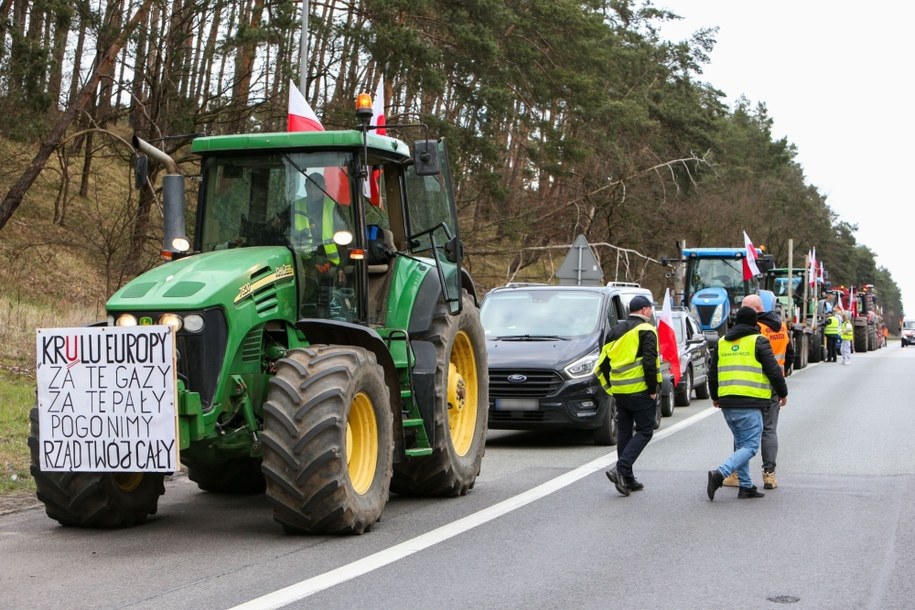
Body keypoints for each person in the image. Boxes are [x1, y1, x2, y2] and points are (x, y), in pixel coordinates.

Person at [707, 306, 788, 501]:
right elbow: (773, 370)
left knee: (742, 444)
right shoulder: (758, 341)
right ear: (754, 322)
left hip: (727, 402)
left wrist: (715, 396)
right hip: (750, 402)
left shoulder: (722, 342)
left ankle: (745, 486)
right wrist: (782, 393)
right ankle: (720, 474)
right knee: (751, 447)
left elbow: (713, 372)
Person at [595, 295, 662, 497]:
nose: (651, 312)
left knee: (624, 433)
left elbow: (603, 364)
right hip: (641, 391)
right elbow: (650, 363)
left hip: (620, 393)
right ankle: (621, 468)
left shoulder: (614, 331)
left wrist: (612, 387)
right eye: (650, 309)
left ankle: (628, 479)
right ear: (643, 310)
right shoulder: (647, 330)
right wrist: (652, 389)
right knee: (645, 431)